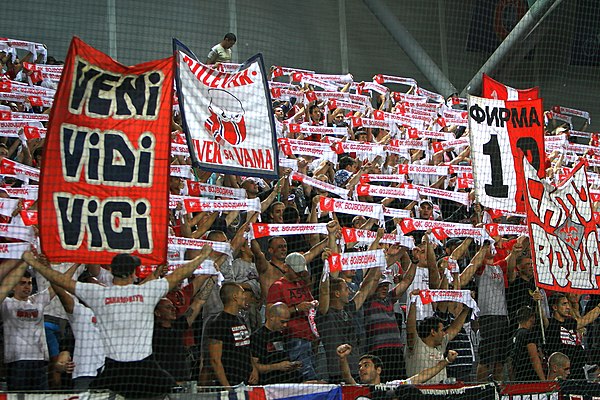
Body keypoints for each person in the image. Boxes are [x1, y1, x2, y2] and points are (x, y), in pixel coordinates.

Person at [22, 246, 215, 398]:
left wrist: (34, 263)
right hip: (145, 369)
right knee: (173, 391)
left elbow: (63, 282)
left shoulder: (98, 294)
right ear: (133, 273)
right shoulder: (146, 291)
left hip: (115, 371)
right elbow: (179, 275)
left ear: (112, 271)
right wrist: (202, 257)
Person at [266, 252, 319, 381]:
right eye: (296, 272)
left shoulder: (301, 284)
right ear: (286, 267)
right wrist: (296, 308)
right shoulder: (277, 286)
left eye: (301, 272)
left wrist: (313, 304)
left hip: (309, 336)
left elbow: (310, 301)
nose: (299, 275)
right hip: (292, 337)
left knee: (313, 372)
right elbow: (271, 314)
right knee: (306, 376)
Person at [1, 261, 51, 390]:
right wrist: (25, 260)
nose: (27, 286)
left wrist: (77, 263)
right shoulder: (6, 303)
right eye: (22, 283)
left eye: (29, 283)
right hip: (17, 361)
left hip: (40, 360)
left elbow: (58, 285)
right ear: (13, 286)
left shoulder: (38, 300)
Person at [405, 289, 472, 384]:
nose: (444, 333)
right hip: (418, 393)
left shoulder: (440, 346)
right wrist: (413, 302)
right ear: (433, 332)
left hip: (440, 393)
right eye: (441, 330)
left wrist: (466, 309)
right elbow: (410, 328)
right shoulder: (416, 345)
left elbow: (454, 329)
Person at [206, 282, 256, 386]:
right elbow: (215, 360)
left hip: (247, 380)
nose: (245, 296)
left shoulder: (241, 320)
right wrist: (227, 388)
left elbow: (246, 348)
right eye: (242, 293)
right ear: (235, 297)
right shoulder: (218, 323)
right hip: (230, 381)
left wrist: (254, 369)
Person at [336, 343, 458, 385]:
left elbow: (421, 377)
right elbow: (347, 377)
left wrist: (446, 361)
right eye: (360, 367)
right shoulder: (358, 389)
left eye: (366, 365)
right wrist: (342, 358)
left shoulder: (392, 386)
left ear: (378, 370)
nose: (361, 369)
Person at [544, 293, 600, 380]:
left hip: (578, 372)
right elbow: (541, 316)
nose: (568, 307)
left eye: (567, 303)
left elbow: (587, 319)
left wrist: (599, 307)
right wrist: (538, 302)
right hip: (561, 374)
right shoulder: (549, 324)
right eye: (564, 304)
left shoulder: (570, 322)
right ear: (555, 307)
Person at [250, 302, 302, 384]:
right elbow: (255, 366)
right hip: (270, 383)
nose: (285, 325)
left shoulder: (280, 335)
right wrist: (278, 366)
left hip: (287, 380)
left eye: (287, 322)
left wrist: (291, 366)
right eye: (282, 322)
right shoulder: (257, 337)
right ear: (271, 317)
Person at [509, 305, 545, 381]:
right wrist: (543, 380)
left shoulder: (513, 337)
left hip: (518, 379)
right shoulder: (529, 334)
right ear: (531, 318)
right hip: (531, 378)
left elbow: (510, 362)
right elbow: (534, 358)